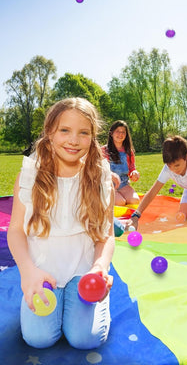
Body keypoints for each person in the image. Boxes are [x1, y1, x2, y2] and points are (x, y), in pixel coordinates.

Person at [7, 97, 115, 350]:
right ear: (49, 132)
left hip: (83, 271)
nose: (74, 140)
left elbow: (106, 235)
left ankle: (94, 303)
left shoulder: (101, 177)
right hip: (42, 271)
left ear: (93, 137)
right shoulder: (29, 176)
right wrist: (27, 271)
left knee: (84, 340)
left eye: (83, 133)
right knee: (38, 339)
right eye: (64, 130)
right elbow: (15, 231)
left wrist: (100, 266)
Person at [102, 120, 140, 206]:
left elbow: (131, 168)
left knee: (134, 201)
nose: (120, 134)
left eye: (123, 132)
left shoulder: (128, 152)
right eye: (118, 131)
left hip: (124, 184)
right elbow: (100, 170)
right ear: (111, 133)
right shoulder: (104, 150)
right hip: (108, 185)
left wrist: (134, 173)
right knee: (120, 202)